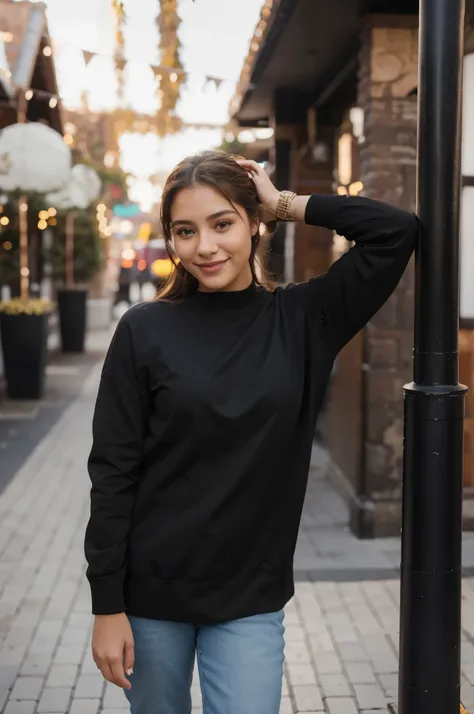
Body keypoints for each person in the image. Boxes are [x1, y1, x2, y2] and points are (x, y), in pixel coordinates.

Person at [84, 151, 418, 714]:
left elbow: (396, 232)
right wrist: (106, 605)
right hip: (152, 592)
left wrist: (287, 202)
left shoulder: (304, 320)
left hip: (250, 598)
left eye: (223, 223)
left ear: (254, 221)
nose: (205, 247)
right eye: (185, 231)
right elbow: (114, 471)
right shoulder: (144, 330)